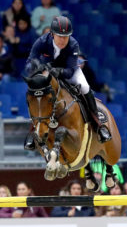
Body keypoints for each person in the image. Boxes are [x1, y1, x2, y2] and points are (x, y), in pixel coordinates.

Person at [24, 16, 112, 150]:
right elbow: (30, 62)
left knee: (85, 87)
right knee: (37, 95)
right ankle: (32, 132)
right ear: (52, 34)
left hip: (67, 70)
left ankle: (99, 126)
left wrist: (56, 72)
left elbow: (70, 71)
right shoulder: (41, 42)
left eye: (66, 36)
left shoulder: (73, 44)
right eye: (59, 36)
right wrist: (36, 69)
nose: (63, 40)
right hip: (47, 71)